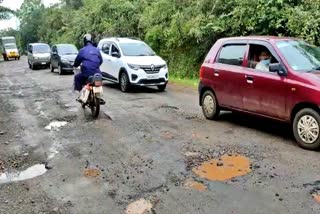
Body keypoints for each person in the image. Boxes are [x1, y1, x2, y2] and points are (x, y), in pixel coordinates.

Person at [73, 34, 105, 104]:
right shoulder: (96, 50)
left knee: (77, 77)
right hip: (97, 73)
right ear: (92, 41)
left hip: (86, 74)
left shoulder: (82, 50)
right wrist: (96, 66)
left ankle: (81, 93)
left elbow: (76, 62)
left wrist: (75, 65)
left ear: (84, 41)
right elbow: (101, 61)